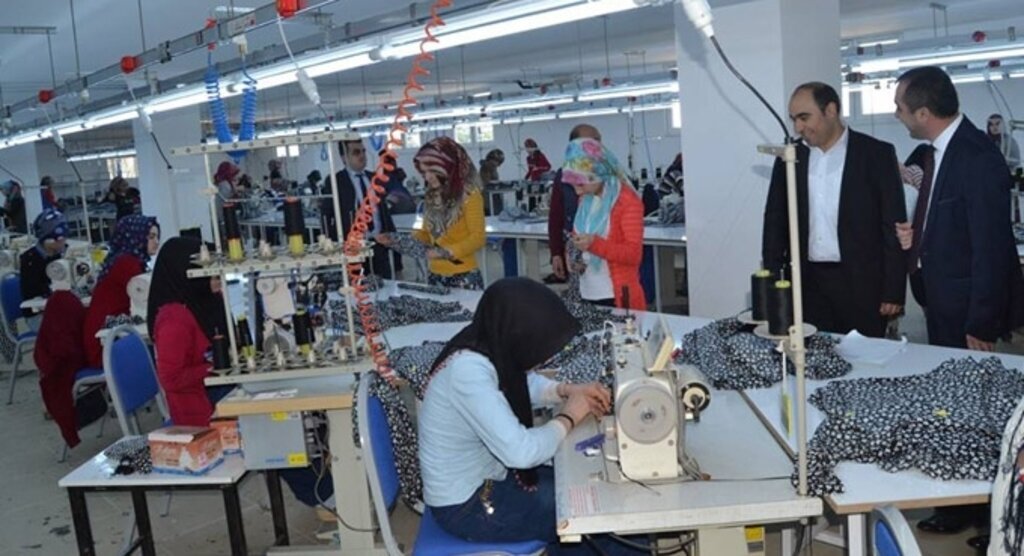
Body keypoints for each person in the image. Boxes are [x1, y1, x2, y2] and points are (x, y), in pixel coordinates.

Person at [892, 66, 1024, 546]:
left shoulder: (976, 157)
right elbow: (948, 224)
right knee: (954, 409)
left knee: (981, 415)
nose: (897, 114)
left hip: (970, 312)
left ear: (923, 113)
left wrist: (981, 323)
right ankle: (960, 506)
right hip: (942, 301)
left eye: (901, 107)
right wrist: (916, 238)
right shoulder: (937, 153)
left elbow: (993, 249)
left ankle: (992, 517)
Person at [418, 277, 645, 555]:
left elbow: (516, 381)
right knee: (602, 513)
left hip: (489, 478)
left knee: (584, 488)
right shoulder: (467, 372)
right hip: (467, 505)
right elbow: (522, 453)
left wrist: (565, 390)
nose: (542, 358)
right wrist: (569, 417)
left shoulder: (486, 342)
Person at [762, 82, 907, 337]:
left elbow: (893, 225)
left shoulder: (876, 154)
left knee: (864, 355)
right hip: (807, 286)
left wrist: (893, 290)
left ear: (830, 110)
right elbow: (775, 221)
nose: (798, 128)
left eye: (804, 117)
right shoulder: (790, 157)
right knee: (811, 354)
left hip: (863, 286)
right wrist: (774, 284)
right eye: (794, 120)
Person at [381, 137, 486, 290]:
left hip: (464, 276)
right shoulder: (431, 196)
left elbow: (478, 238)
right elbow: (425, 233)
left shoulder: (470, 195)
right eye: (424, 172)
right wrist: (397, 241)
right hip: (435, 275)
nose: (427, 177)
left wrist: (445, 252)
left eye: (432, 171)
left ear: (447, 165)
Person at [146, 237, 228, 427]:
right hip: (200, 409)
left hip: (214, 389)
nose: (219, 282)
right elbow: (171, 379)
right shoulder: (174, 321)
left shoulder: (203, 303)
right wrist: (215, 366)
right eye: (213, 276)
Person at [562, 137, 646, 310]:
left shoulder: (627, 202)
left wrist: (594, 244)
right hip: (586, 292)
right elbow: (579, 236)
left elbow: (633, 254)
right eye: (573, 185)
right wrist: (573, 255)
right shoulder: (586, 200)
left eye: (581, 184)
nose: (577, 191)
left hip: (616, 296)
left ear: (598, 175)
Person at [81, 215, 159, 369]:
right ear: (136, 237)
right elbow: (150, 296)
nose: (156, 242)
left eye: (157, 236)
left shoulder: (126, 260)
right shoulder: (127, 264)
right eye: (151, 237)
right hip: (106, 344)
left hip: (112, 335)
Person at [320, 133, 398, 278]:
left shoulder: (374, 178)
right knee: (358, 288)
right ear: (344, 158)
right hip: (353, 249)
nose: (362, 156)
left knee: (385, 286)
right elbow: (327, 215)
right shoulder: (336, 181)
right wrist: (332, 245)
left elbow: (384, 213)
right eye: (356, 152)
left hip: (379, 245)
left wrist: (393, 240)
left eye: (363, 151)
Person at [547, 124, 601, 284]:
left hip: (605, 250)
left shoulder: (610, 176)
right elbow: (556, 217)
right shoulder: (563, 176)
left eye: (598, 139)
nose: (597, 144)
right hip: (577, 249)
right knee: (580, 292)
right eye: (591, 140)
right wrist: (556, 253)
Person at [20, 209, 68, 310]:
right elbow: (32, 292)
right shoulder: (29, 260)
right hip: (39, 310)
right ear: (46, 239)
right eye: (59, 239)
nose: (63, 242)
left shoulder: (64, 253)